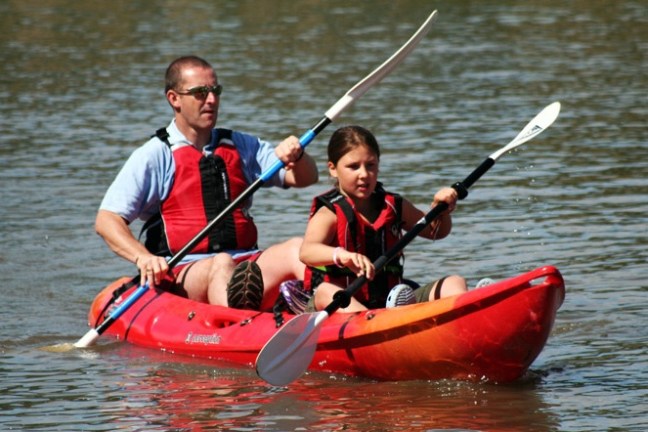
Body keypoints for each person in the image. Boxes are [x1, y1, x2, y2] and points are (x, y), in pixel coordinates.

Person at [96, 55, 318, 311]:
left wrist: (298, 156)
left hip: (246, 266)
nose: (211, 100)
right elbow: (107, 220)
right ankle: (243, 325)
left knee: (295, 248)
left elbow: (304, 178)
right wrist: (143, 257)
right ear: (174, 99)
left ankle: (339, 308)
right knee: (221, 263)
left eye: (215, 91)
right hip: (183, 272)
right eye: (200, 93)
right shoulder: (154, 155)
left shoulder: (241, 145)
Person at [299, 125, 468, 312]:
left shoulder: (394, 205)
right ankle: (371, 326)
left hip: (388, 300)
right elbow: (307, 252)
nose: (364, 174)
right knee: (325, 291)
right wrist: (343, 256)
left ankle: (473, 314)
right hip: (339, 305)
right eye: (353, 167)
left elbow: (437, 231)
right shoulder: (329, 213)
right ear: (333, 169)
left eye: (370, 165)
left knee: (454, 282)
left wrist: (441, 209)